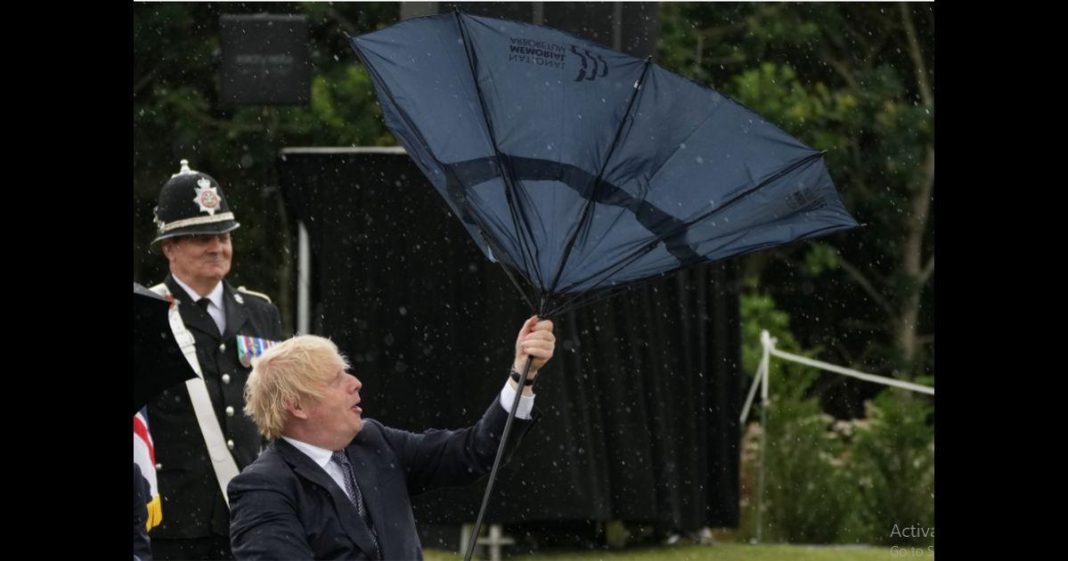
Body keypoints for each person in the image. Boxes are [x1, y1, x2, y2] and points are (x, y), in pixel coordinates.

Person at [228, 316, 555, 560]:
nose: (355, 383)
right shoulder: (262, 488)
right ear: (296, 406)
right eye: (335, 379)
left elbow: (473, 452)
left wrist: (521, 375)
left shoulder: (374, 441)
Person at [146, 159, 285, 560]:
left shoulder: (261, 312)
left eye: (223, 234)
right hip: (175, 524)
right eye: (201, 237)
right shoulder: (146, 315)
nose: (217, 247)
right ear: (169, 247)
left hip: (252, 515)